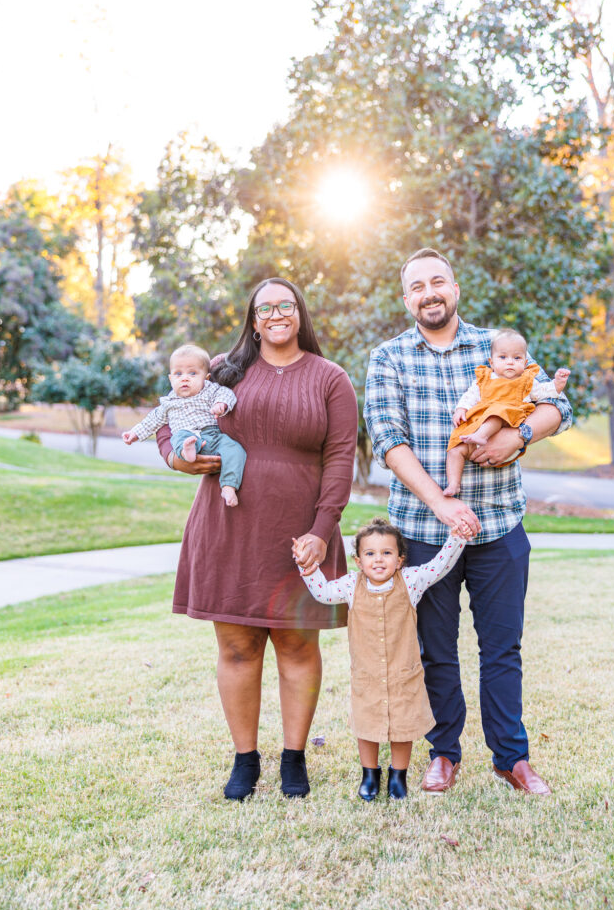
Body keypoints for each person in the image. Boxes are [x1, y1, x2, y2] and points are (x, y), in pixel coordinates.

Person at [364, 249, 572, 796]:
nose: (429, 292)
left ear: (455, 287)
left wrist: (518, 436)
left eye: (438, 281)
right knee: (436, 649)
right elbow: (388, 440)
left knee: (502, 648)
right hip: (423, 531)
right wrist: (441, 504)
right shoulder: (388, 357)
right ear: (406, 297)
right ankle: (444, 754)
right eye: (417, 286)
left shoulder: (498, 348)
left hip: (500, 525)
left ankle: (511, 758)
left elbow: (557, 405)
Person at [155, 279, 358, 801]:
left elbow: (340, 458)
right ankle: (245, 760)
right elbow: (169, 418)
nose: (274, 314)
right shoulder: (224, 370)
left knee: (296, 643)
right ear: (252, 318)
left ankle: (294, 758)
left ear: (299, 313)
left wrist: (322, 529)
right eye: (264, 307)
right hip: (229, 528)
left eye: (284, 305)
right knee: (238, 645)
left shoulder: (330, 379)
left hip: (299, 533)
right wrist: (178, 457)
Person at [296, 518, 465, 801]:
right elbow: (323, 593)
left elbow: (440, 566)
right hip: (367, 676)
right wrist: (307, 568)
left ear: (400, 560)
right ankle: (370, 774)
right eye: (370, 553)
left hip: (404, 675)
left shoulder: (411, 581)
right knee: (367, 725)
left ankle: (398, 775)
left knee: (404, 725)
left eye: (387, 553)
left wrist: (457, 539)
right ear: (358, 561)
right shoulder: (351, 585)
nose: (378, 560)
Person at [444, 328, 570, 496]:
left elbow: (546, 393)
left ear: (525, 363)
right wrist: (461, 408)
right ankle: (454, 484)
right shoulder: (485, 378)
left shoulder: (526, 381)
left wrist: (558, 383)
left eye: (516, 358)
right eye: (503, 358)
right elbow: (471, 395)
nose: (510, 362)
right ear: (492, 361)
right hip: (481, 424)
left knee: (497, 412)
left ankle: (481, 436)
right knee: (454, 449)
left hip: (509, 417)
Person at [122, 344, 246, 507]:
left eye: (193, 373)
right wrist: (134, 433)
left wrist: (221, 404)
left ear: (206, 378)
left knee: (235, 449)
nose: (185, 378)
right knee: (180, 437)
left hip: (212, 436)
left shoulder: (210, 391)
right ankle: (187, 451)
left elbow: (226, 394)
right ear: (171, 378)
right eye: (178, 374)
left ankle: (229, 486)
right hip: (186, 434)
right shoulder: (168, 403)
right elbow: (151, 421)